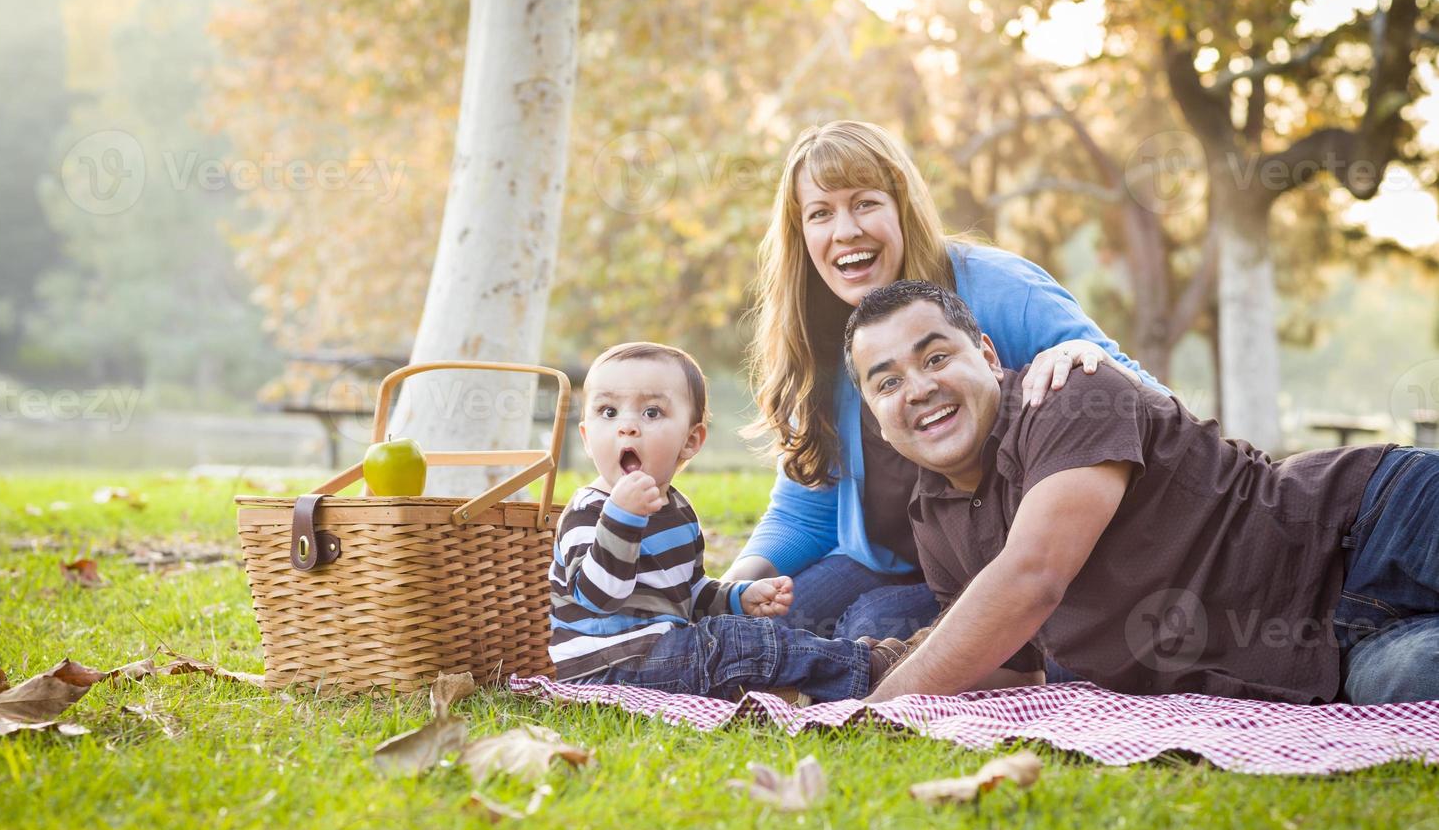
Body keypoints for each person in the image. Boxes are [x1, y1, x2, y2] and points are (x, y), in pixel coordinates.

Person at [845, 279, 1437, 704]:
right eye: (889, 382)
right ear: (875, 416)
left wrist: (875, 712)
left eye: (937, 357)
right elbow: (1010, 667)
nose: (919, 389)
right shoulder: (933, 516)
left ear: (989, 356)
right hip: (1328, 653)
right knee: (1419, 683)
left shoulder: (1070, 394)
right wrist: (864, 667)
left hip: (1366, 525)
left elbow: (1032, 577)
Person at [723, 120, 1170, 649]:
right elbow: (807, 507)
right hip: (885, 563)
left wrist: (1086, 356)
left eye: (865, 203)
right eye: (820, 213)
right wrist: (729, 587)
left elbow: (1150, 404)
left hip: (1008, 562)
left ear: (902, 206)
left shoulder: (1003, 290)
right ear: (802, 235)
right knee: (739, 632)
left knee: (869, 627)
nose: (844, 231)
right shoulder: (817, 336)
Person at [548, 342, 907, 701]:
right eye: (608, 412)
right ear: (586, 439)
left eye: (652, 413)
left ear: (690, 441)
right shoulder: (588, 512)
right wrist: (621, 517)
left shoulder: (677, 511)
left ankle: (809, 683)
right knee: (732, 642)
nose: (626, 427)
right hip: (606, 667)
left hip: (665, 655)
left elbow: (688, 593)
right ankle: (866, 667)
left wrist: (738, 597)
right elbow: (597, 598)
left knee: (741, 634)